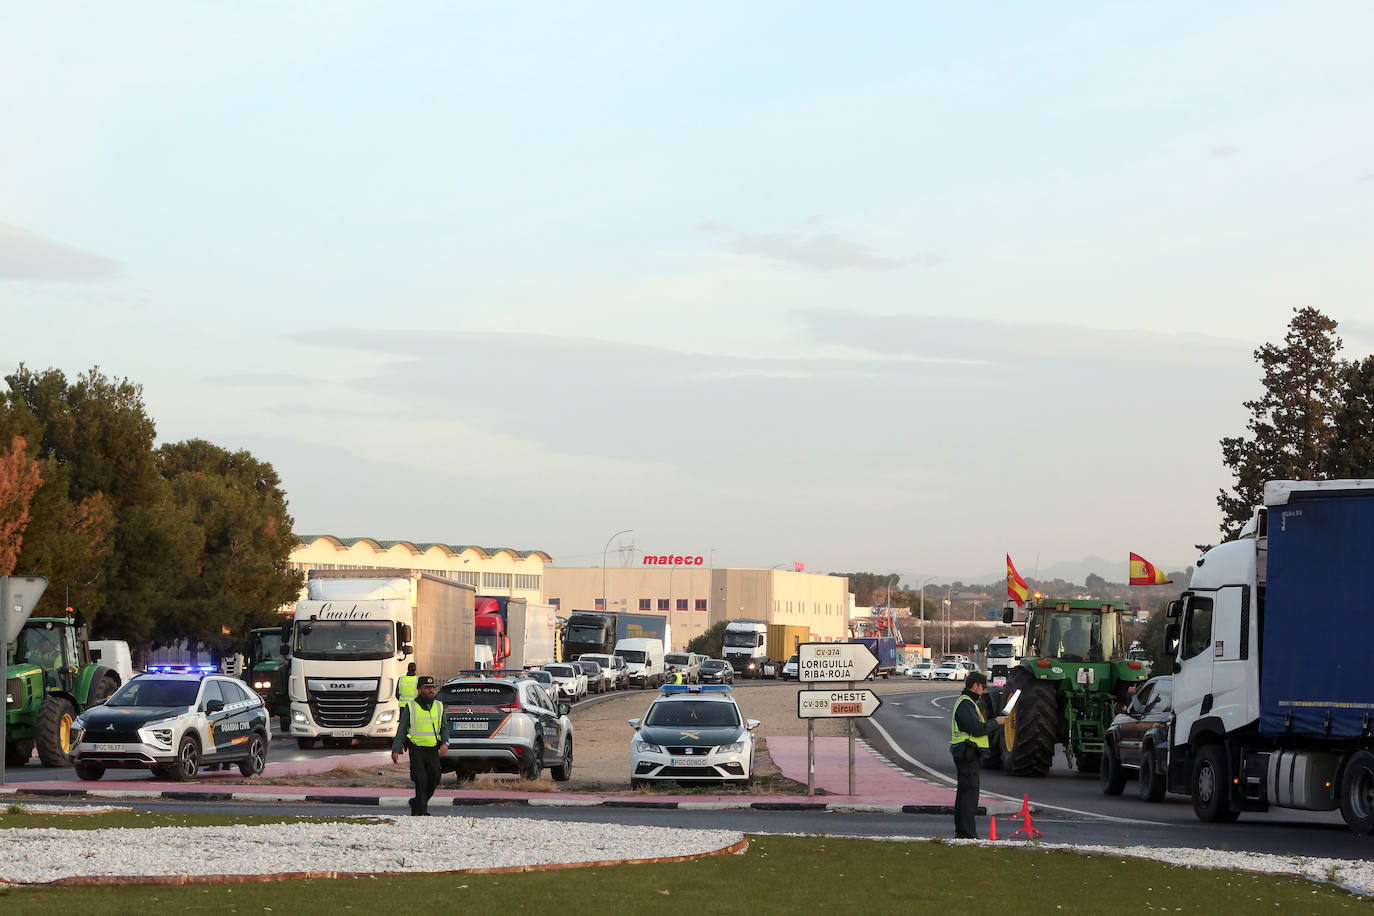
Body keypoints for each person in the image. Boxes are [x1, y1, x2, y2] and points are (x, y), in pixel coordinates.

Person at [950, 669, 1007, 839]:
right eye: (982, 687)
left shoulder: (968, 702)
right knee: (969, 794)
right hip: (967, 752)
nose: (984, 690)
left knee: (964, 793)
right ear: (975, 686)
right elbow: (976, 729)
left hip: (967, 752)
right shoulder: (966, 703)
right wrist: (995, 723)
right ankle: (967, 833)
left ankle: (962, 831)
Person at [390, 675, 449, 815]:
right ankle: (421, 811)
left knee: (435, 778)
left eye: (432, 688)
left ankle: (416, 802)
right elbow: (402, 728)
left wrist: (445, 743)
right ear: (419, 690)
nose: (430, 690)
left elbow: (445, 727)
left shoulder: (439, 706)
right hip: (416, 749)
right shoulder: (411, 706)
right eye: (427, 688)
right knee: (420, 779)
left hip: (433, 749)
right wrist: (395, 749)